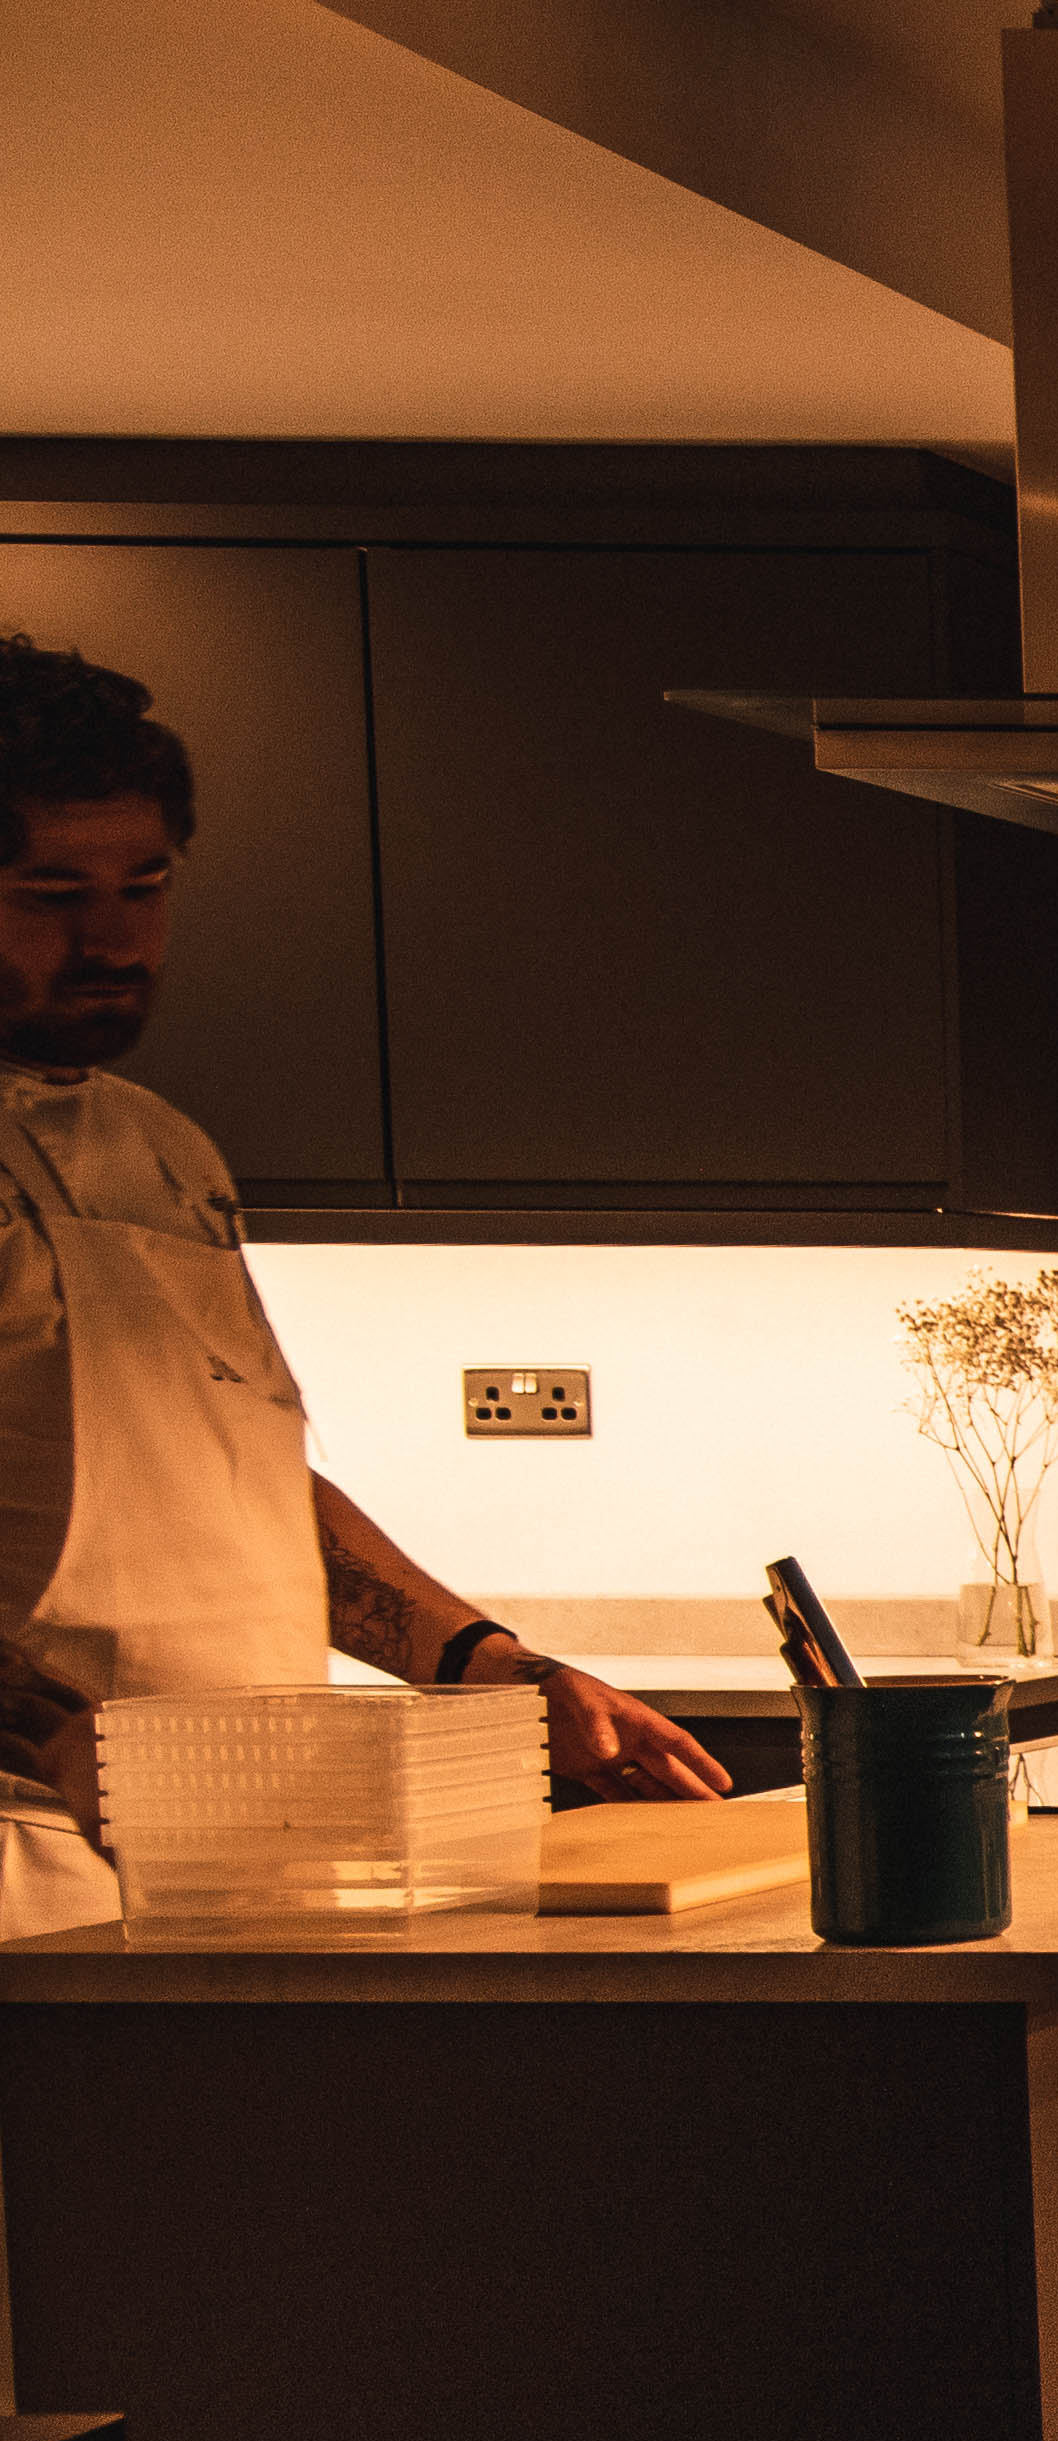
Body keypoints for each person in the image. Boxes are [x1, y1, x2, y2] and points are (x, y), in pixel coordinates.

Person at [0, 629, 724, 1962]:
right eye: (51, 895)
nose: (111, 939)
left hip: (233, 1857)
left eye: (143, 885)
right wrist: (45, 1731)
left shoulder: (165, 1150)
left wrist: (492, 1671)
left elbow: (241, 1486)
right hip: (26, 1861)